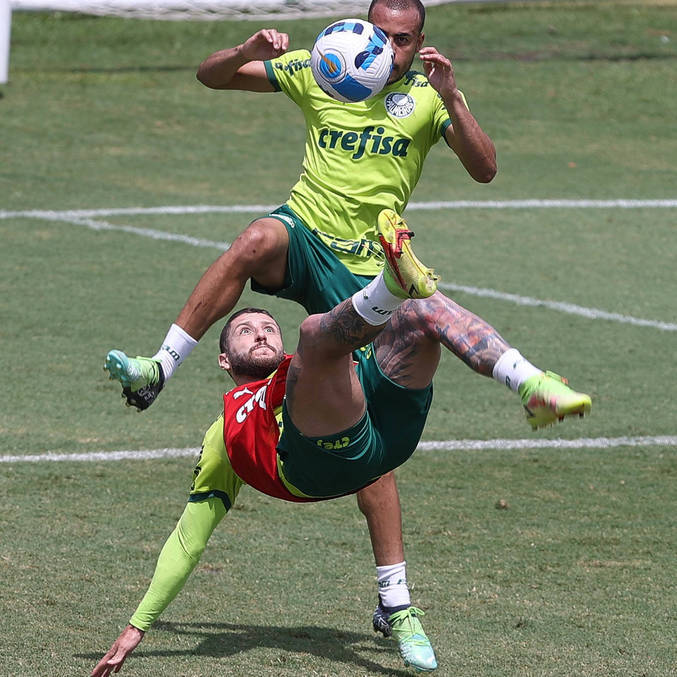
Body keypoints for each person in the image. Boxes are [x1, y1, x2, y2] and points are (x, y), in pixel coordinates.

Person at [105, 0, 591, 656]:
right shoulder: (325, 67)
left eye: (402, 39)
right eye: (381, 34)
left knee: (362, 434)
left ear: (420, 42)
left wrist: (454, 100)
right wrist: (248, 45)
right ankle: (159, 365)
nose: (388, 48)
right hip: (306, 236)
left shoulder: (425, 96)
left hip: (362, 276)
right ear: (363, 28)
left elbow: (485, 167)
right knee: (255, 238)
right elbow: (210, 77)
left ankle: (395, 602)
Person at [96, 214, 592, 676]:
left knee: (420, 312)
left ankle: (530, 384)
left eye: (269, 326)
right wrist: (138, 626)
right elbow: (190, 536)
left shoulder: (302, 370)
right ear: (225, 360)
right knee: (317, 331)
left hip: (382, 438)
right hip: (314, 464)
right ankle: (389, 287)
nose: (263, 333)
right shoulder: (226, 429)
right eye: (246, 331)